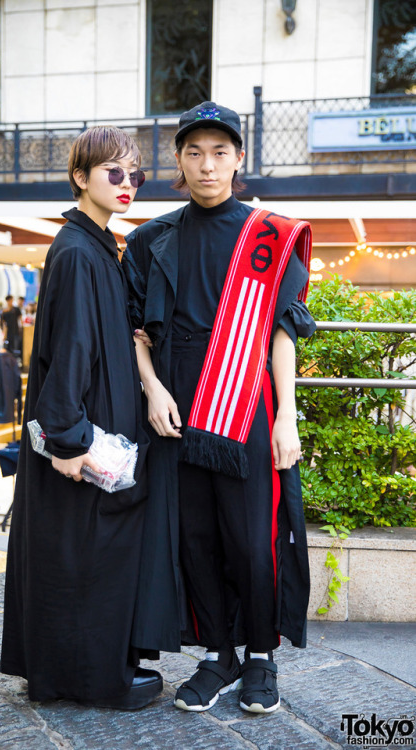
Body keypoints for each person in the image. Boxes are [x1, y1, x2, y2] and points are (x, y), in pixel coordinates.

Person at [123, 102, 316, 715]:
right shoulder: (152, 239)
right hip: (176, 408)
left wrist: (285, 415)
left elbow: (281, 332)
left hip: (245, 407)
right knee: (194, 538)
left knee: (253, 540)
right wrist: (152, 387)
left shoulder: (269, 236)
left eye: (220, 152)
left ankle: (261, 655)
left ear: (238, 159)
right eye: (194, 153)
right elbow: (135, 331)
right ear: (179, 161)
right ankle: (217, 655)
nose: (207, 165)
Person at [0, 125, 162, 710]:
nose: (127, 184)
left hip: (94, 432)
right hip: (83, 439)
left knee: (85, 554)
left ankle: (81, 673)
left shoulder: (95, 245)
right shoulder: (76, 251)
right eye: (113, 172)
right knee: (84, 555)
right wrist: (69, 442)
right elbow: (67, 350)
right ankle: (91, 682)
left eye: (135, 174)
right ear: (81, 177)